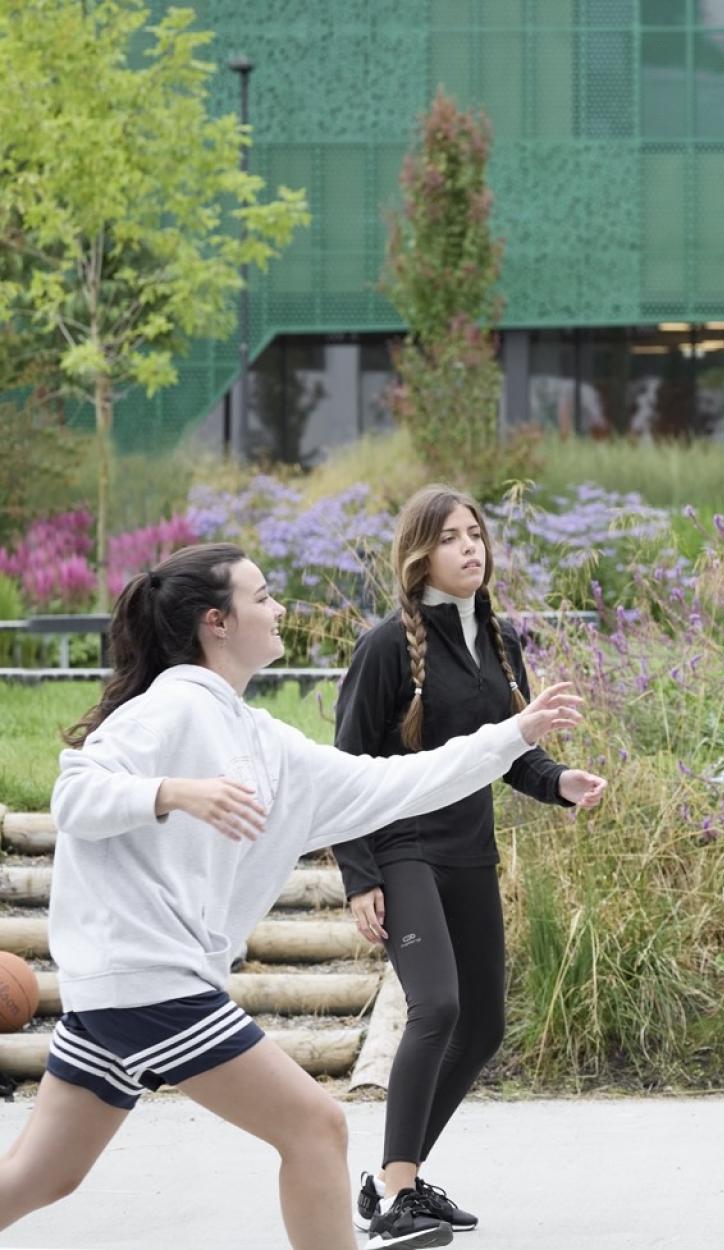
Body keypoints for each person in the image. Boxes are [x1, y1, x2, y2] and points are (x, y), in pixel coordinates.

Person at [5, 542, 582, 1250]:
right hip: (149, 979)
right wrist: (175, 792)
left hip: (126, 986)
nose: (280, 609)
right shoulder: (172, 707)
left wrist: (513, 735)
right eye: (263, 597)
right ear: (216, 622)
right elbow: (75, 794)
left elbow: (393, 785)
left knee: (43, 1175)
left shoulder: (260, 736)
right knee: (317, 1126)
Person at [334, 486, 607, 1245]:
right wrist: (359, 876)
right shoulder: (386, 646)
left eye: (476, 534)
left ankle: (399, 1180)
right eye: (451, 537)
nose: (470, 547)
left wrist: (559, 781)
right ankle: (397, 1196)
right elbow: (345, 768)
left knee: (484, 1024)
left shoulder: (499, 638)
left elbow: (509, 751)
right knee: (440, 1007)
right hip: (401, 848)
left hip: (467, 850)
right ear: (421, 553)